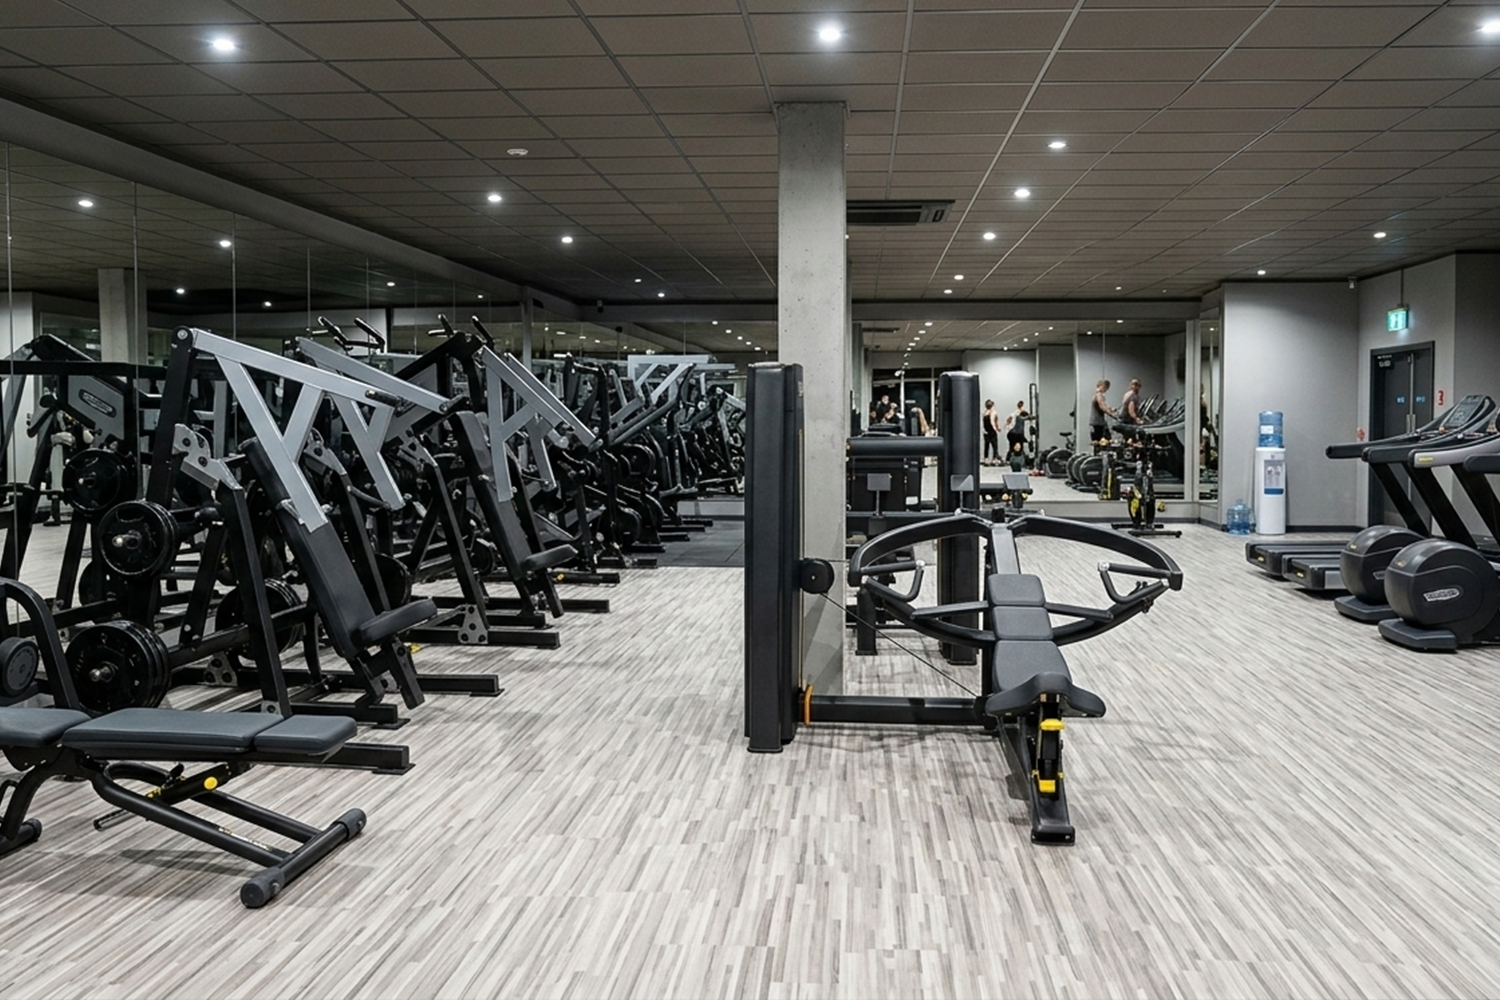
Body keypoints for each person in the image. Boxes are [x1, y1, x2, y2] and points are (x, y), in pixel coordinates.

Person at [1005, 402, 1030, 472]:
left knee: (1013, 447)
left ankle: (1009, 459)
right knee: (1017, 447)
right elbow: (1025, 418)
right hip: (1015, 434)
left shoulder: (1016, 415)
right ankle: (1013, 460)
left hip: (1012, 433)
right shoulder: (1019, 417)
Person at [1089, 379, 1115, 444]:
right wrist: (1112, 414)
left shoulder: (1096, 395)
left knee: (1100, 442)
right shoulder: (1099, 395)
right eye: (1105, 387)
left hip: (1097, 422)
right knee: (1100, 442)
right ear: (1100, 385)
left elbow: (1102, 406)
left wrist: (1110, 409)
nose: (1106, 389)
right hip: (1097, 423)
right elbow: (1102, 406)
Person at [982, 399, 1002, 464]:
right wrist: (997, 428)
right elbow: (993, 422)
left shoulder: (984, 413)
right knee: (995, 445)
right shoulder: (993, 412)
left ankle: (986, 458)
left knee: (986, 445)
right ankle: (995, 458)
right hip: (992, 431)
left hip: (986, 431)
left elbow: (984, 423)